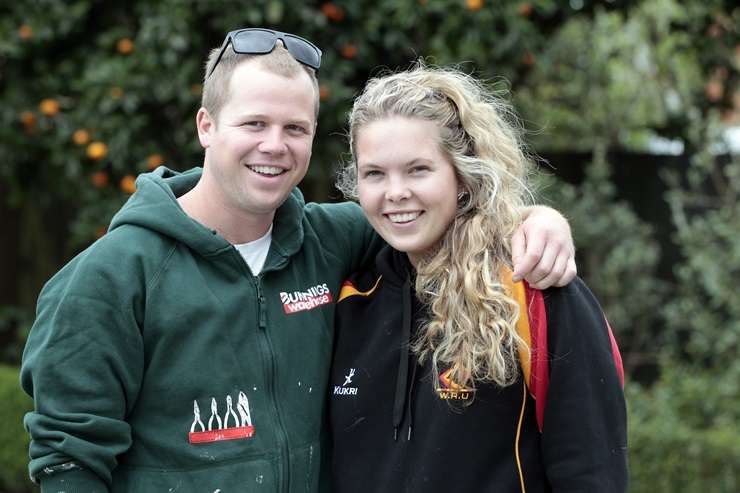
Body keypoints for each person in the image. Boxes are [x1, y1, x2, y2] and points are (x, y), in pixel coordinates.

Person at [21, 29, 576, 492]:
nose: (275, 145)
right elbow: (69, 458)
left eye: (295, 129)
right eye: (254, 124)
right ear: (206, 126)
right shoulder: (110, 277)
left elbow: (438, 213)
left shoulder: (330, 241)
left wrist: (534, 222)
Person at [330, 65, 628, 492]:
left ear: (464, 176)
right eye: (375, 173)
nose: (395, 192)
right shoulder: (348, 297)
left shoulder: (534, 290)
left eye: (418, 170)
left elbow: (592, 473)